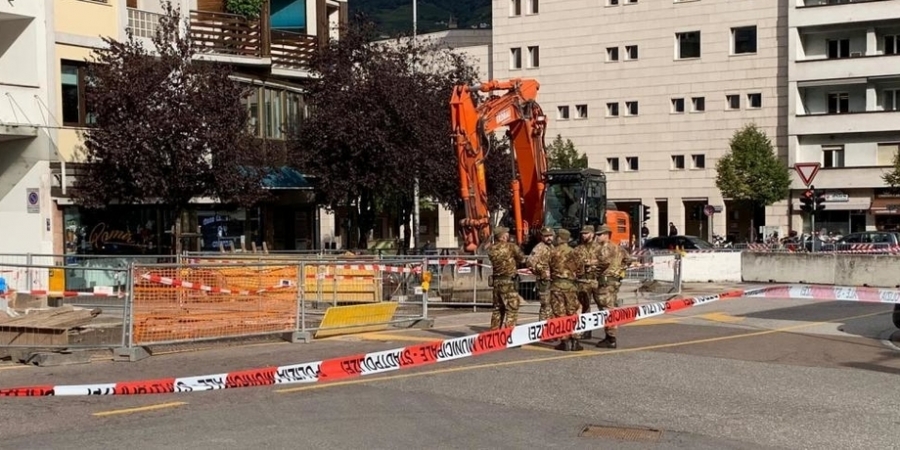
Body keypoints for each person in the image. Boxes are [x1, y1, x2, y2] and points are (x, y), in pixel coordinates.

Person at [595, 224, 632, 348]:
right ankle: (609, 337)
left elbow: (600, 264)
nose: (597, 237)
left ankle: (611, 338)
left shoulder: (604, 249)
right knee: (610, 307)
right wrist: (620, 271)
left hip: (606, 283)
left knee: (606, 309)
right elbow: (628, 259)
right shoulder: (618, 248)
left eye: (599, 235)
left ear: (606, 235)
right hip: (614, 282)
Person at [547, 228, 583, 351]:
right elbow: (581, 269)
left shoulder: (552, 252)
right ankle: (575, 340)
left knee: (559, 313)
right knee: (573, 312)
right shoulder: (574, 252)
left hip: (556, 286)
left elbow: (543, 266)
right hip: (571, 286)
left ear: (560, 238)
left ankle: (564, 341)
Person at [487, 226, 526, 330]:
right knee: (512, 308)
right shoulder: (511, 247)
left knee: (497, 309)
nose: (508, 235)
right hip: (508, 282)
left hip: (497, 281)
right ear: (502, 236)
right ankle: (509, 334)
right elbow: (522, 259)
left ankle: (493, 334)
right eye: (506, 234)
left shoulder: (491, 249)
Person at [573, 225, 602, 339]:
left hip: (596, 280)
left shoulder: (600, 248)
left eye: (586, 233)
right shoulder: (578, 249)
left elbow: (607, 261)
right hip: (583, 281)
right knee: (584, 306)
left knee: (602, 306)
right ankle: (586, 330)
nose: (584, 235)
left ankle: (609, 334)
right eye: (583, 233)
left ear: (592, 234)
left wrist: (594, 263)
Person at [527, 227, 555, 321]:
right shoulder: (539, 248)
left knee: (552, 306)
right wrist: (541, 271)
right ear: (542, 237)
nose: (549, 238)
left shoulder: (552, 247)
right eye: (546, 236)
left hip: (552, 281)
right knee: (545, 306)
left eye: (550, 235)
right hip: (544, 282)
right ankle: (542, 328)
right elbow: (530, 262)